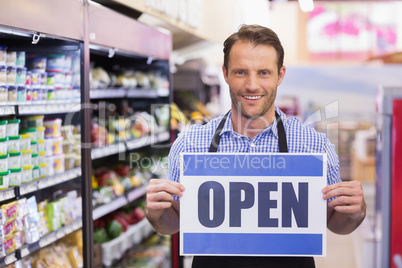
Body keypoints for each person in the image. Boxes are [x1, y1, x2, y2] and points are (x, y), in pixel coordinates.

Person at [145, 24, 367, 268]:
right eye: (241, 72)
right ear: (225, 73)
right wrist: (156, 213)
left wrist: (355, 212)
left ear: (280, 75)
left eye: (263, 72)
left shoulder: (314, 146)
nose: (252, 85)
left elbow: (335, 223)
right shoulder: (190, 144)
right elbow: (173, 223)